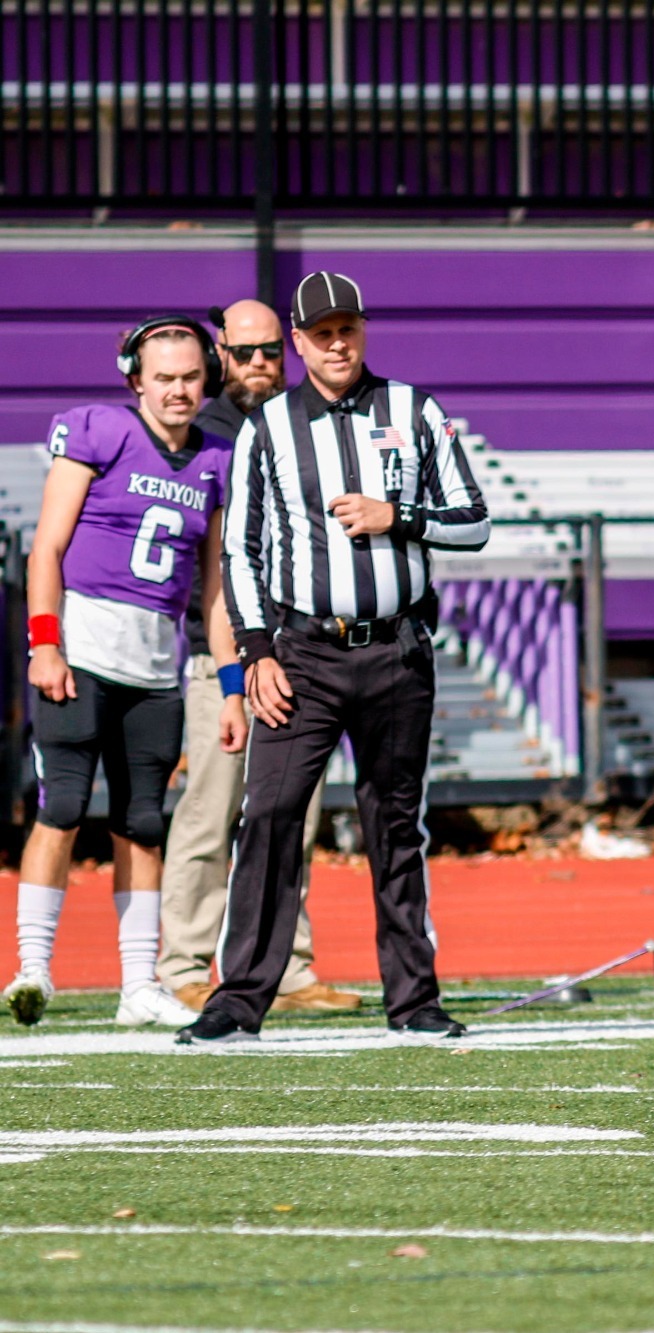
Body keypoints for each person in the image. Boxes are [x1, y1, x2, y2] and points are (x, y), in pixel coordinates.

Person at [177, 272, 490, 1046]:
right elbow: (241, 551)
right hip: (305, 653)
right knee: (271, 816)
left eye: (347, 326)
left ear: (363, 329)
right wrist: (255, 652)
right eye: (320, 332)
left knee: (394, 825)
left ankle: (414, 1000)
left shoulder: (414, 409)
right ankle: (240, 998)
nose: (336, 341)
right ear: (298, 341)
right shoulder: (269, 427)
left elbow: (475, 522)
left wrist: (399, 517)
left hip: (396, 649)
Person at [3, 317, 241, 1028]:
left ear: (208, 379)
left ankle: (139, 984)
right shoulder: (97, 432)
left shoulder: (216, 460)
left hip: (155, 665)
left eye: (190, 377)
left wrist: (230, 684)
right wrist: (44, 643)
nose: (177, 390)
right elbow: (46, 548)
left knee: (142, 821)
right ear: (135, 377)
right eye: (163, 377)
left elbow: (217, 591)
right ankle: (32, 968)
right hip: (82, 649)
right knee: (64, 805)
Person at [155, 299, 358, 1016]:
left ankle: (289, 967)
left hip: (300, 650)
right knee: (211, 814)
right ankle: (183, 963)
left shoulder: (309, 420)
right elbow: (212, 566)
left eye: (271, 349)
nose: (259, 364)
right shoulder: (209, 433)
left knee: (288, 820)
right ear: (221, 355)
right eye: (244, 352)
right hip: (230, 656)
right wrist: (237, 664)